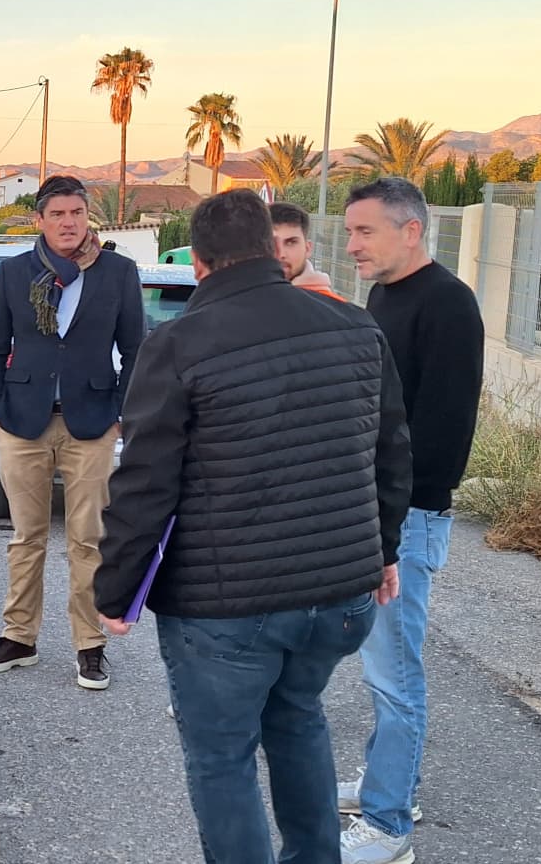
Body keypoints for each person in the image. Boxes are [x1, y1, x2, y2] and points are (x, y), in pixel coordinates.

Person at [94, 187, 412, 864]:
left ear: (198, 263)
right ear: (273, 248)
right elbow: (389, 453)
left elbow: (145, 482)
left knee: (221, 757)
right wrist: (384, 552)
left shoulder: (177, 344)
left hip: (228, 605)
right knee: (299, 722)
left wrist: (114, 591)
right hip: (340, 593)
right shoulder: (356, 326)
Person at [338, 177, 484, 864]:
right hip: (377, 512)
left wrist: (389, 532)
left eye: (364, 231)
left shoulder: (448, 304)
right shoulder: (384, 295)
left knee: (395, 673)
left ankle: (388, 824)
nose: (351, 245)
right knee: (381, 668)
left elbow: (443, 437)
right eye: (349, 231)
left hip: (408, 518)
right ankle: (384, 783)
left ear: (411, 230)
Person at [0, 174, 145, 688]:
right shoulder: (14, 272)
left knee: (87, 540)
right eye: (58, 214)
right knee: (26, 538)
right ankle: (19, 637)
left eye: (77, 213)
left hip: (91, 423)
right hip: (23, 422)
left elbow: (135, 349)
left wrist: (120, 412)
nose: (69, 223)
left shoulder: (118, 272)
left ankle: (90, 645)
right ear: (40, 220)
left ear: (88, 216)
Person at [270, 201, 345, 300]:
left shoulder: (333, 305)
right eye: (272, 244)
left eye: (291, 242)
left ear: (307, 248)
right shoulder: (251, 299)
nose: (281, 254)